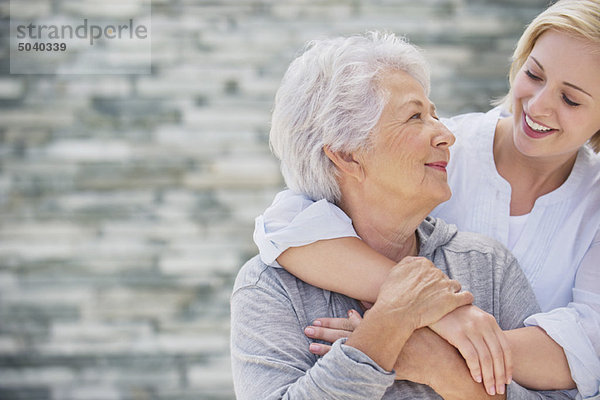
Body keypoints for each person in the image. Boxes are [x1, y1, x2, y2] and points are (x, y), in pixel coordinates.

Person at [253, 0, 600, 398]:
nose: (538, 105)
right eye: (533, 74)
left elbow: (589, 346)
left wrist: (428, 350)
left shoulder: (572, 217)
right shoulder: (439, 152)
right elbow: (285, 224)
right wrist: (434, 308)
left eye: (571, 99)